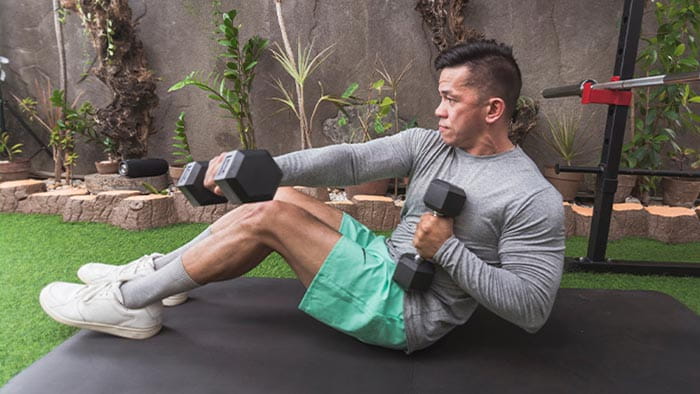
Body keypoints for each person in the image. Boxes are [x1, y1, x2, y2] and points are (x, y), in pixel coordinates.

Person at [39, 39, 564, 354]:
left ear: (493, 109)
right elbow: (352, 161)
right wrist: (252, 169)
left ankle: (129, 305)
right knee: (276, 194)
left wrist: (447, 250)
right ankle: (155, 276)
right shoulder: (433, 145)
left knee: (265, 218)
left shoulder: (528, 196)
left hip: (406, 310)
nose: (439, 111)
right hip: (384, 260)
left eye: (451, 100)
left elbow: (533, 309)